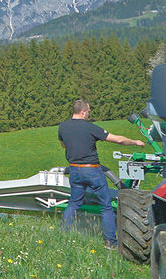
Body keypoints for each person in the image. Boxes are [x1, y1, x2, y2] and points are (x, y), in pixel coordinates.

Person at [58, 99, 145, 249]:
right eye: (89, 112)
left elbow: (63, 145)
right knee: (105, 207)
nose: (89, 114)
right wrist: (135, 142)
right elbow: (117, 140)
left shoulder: (63, 126)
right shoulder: (90, 127)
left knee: (73, 203)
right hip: (92, 170)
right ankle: (111, 242)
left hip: (74, 170)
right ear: (83, 111)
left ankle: (62, 235)